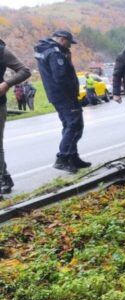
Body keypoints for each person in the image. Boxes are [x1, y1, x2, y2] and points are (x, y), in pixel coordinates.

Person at [35, 30, 91, 173]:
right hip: (65, 95)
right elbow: (61, 77)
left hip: (57, 95)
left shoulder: (46, 50)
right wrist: (72, 94)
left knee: (69, 125)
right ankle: (63, 158)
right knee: (75, 125)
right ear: (62, 39)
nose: (70, 46)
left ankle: (73, 157)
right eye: (69, 43)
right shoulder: (55, 54)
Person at [0, 39, 31, 195]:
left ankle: (2, 179)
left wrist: (6, 84)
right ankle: (4, 177)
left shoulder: (2, 51)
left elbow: (24, 71)